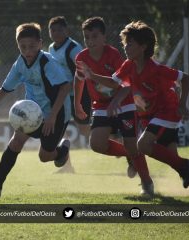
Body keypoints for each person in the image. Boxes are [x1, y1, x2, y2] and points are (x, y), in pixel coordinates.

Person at [78, 20, 189, 195]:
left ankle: (184, 166)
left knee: (143, 145)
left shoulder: (155, 69)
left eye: (129, 43)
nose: (125, 47)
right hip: (151, 116)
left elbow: (185, 78)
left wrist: (182, 104)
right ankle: (185, 168)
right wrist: (91, 75)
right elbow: (112, 82)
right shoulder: (128, 65)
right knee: (173, 160)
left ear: (143, 46)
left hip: (167, 112)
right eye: (125, 43)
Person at [0, 23, 72, 204]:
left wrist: (52, 116)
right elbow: (5, 88)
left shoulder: (47, 62)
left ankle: (62, 151)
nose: (27, 51)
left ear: (40, 44)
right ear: (18, 46)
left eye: (31, 46)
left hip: (57, 113)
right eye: (23, 47)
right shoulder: (20, 63)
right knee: (16, 142)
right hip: (32, 112)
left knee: (44, 157)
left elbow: (64, 87)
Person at [74, 17, 153, 196]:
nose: (90, 41)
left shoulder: (114, 55)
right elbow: (78, 80)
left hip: (124, 103)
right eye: (87, 37)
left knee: (133, 144)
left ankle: (147, 183)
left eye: (94, 36)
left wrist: (117, 100)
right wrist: (77, 103)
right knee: (96, 144)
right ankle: (130, 155)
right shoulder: (81, 57)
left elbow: (126, 83)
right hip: (101, 105)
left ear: (104, 37)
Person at [48, 16, 87, 173]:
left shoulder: (73, 48)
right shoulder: (50, 48)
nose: (56, 32)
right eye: (53, 29)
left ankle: (124, 147)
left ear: (67, 30)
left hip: (77, 95)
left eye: (60, 29)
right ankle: (67, 166)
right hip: (61, 97)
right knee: (58, 131)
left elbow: (83, 72)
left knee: (85, 130)